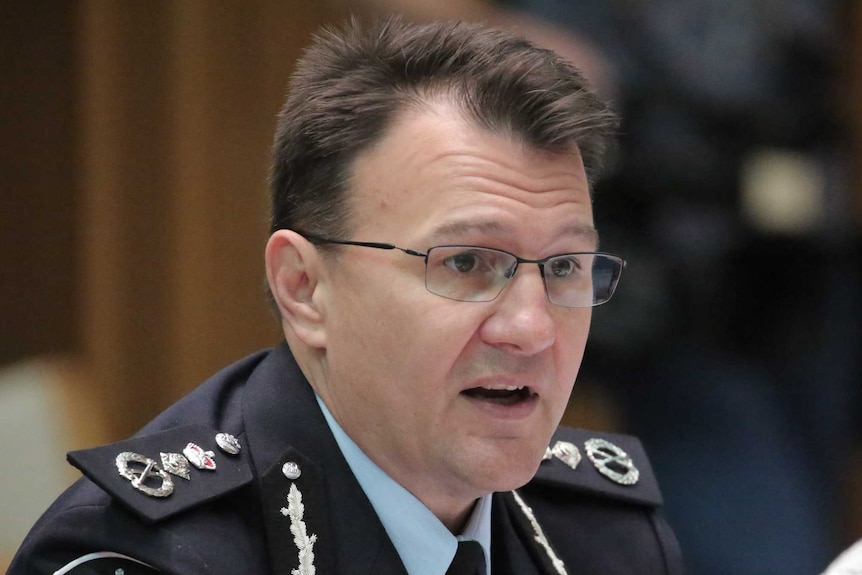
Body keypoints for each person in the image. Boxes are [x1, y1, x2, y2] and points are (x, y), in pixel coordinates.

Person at [9, 18, 683, 575]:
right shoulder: (156, 559)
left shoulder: (609, 540)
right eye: (469, 261)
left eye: (564, 265)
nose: (533, 327)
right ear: (304, 288)